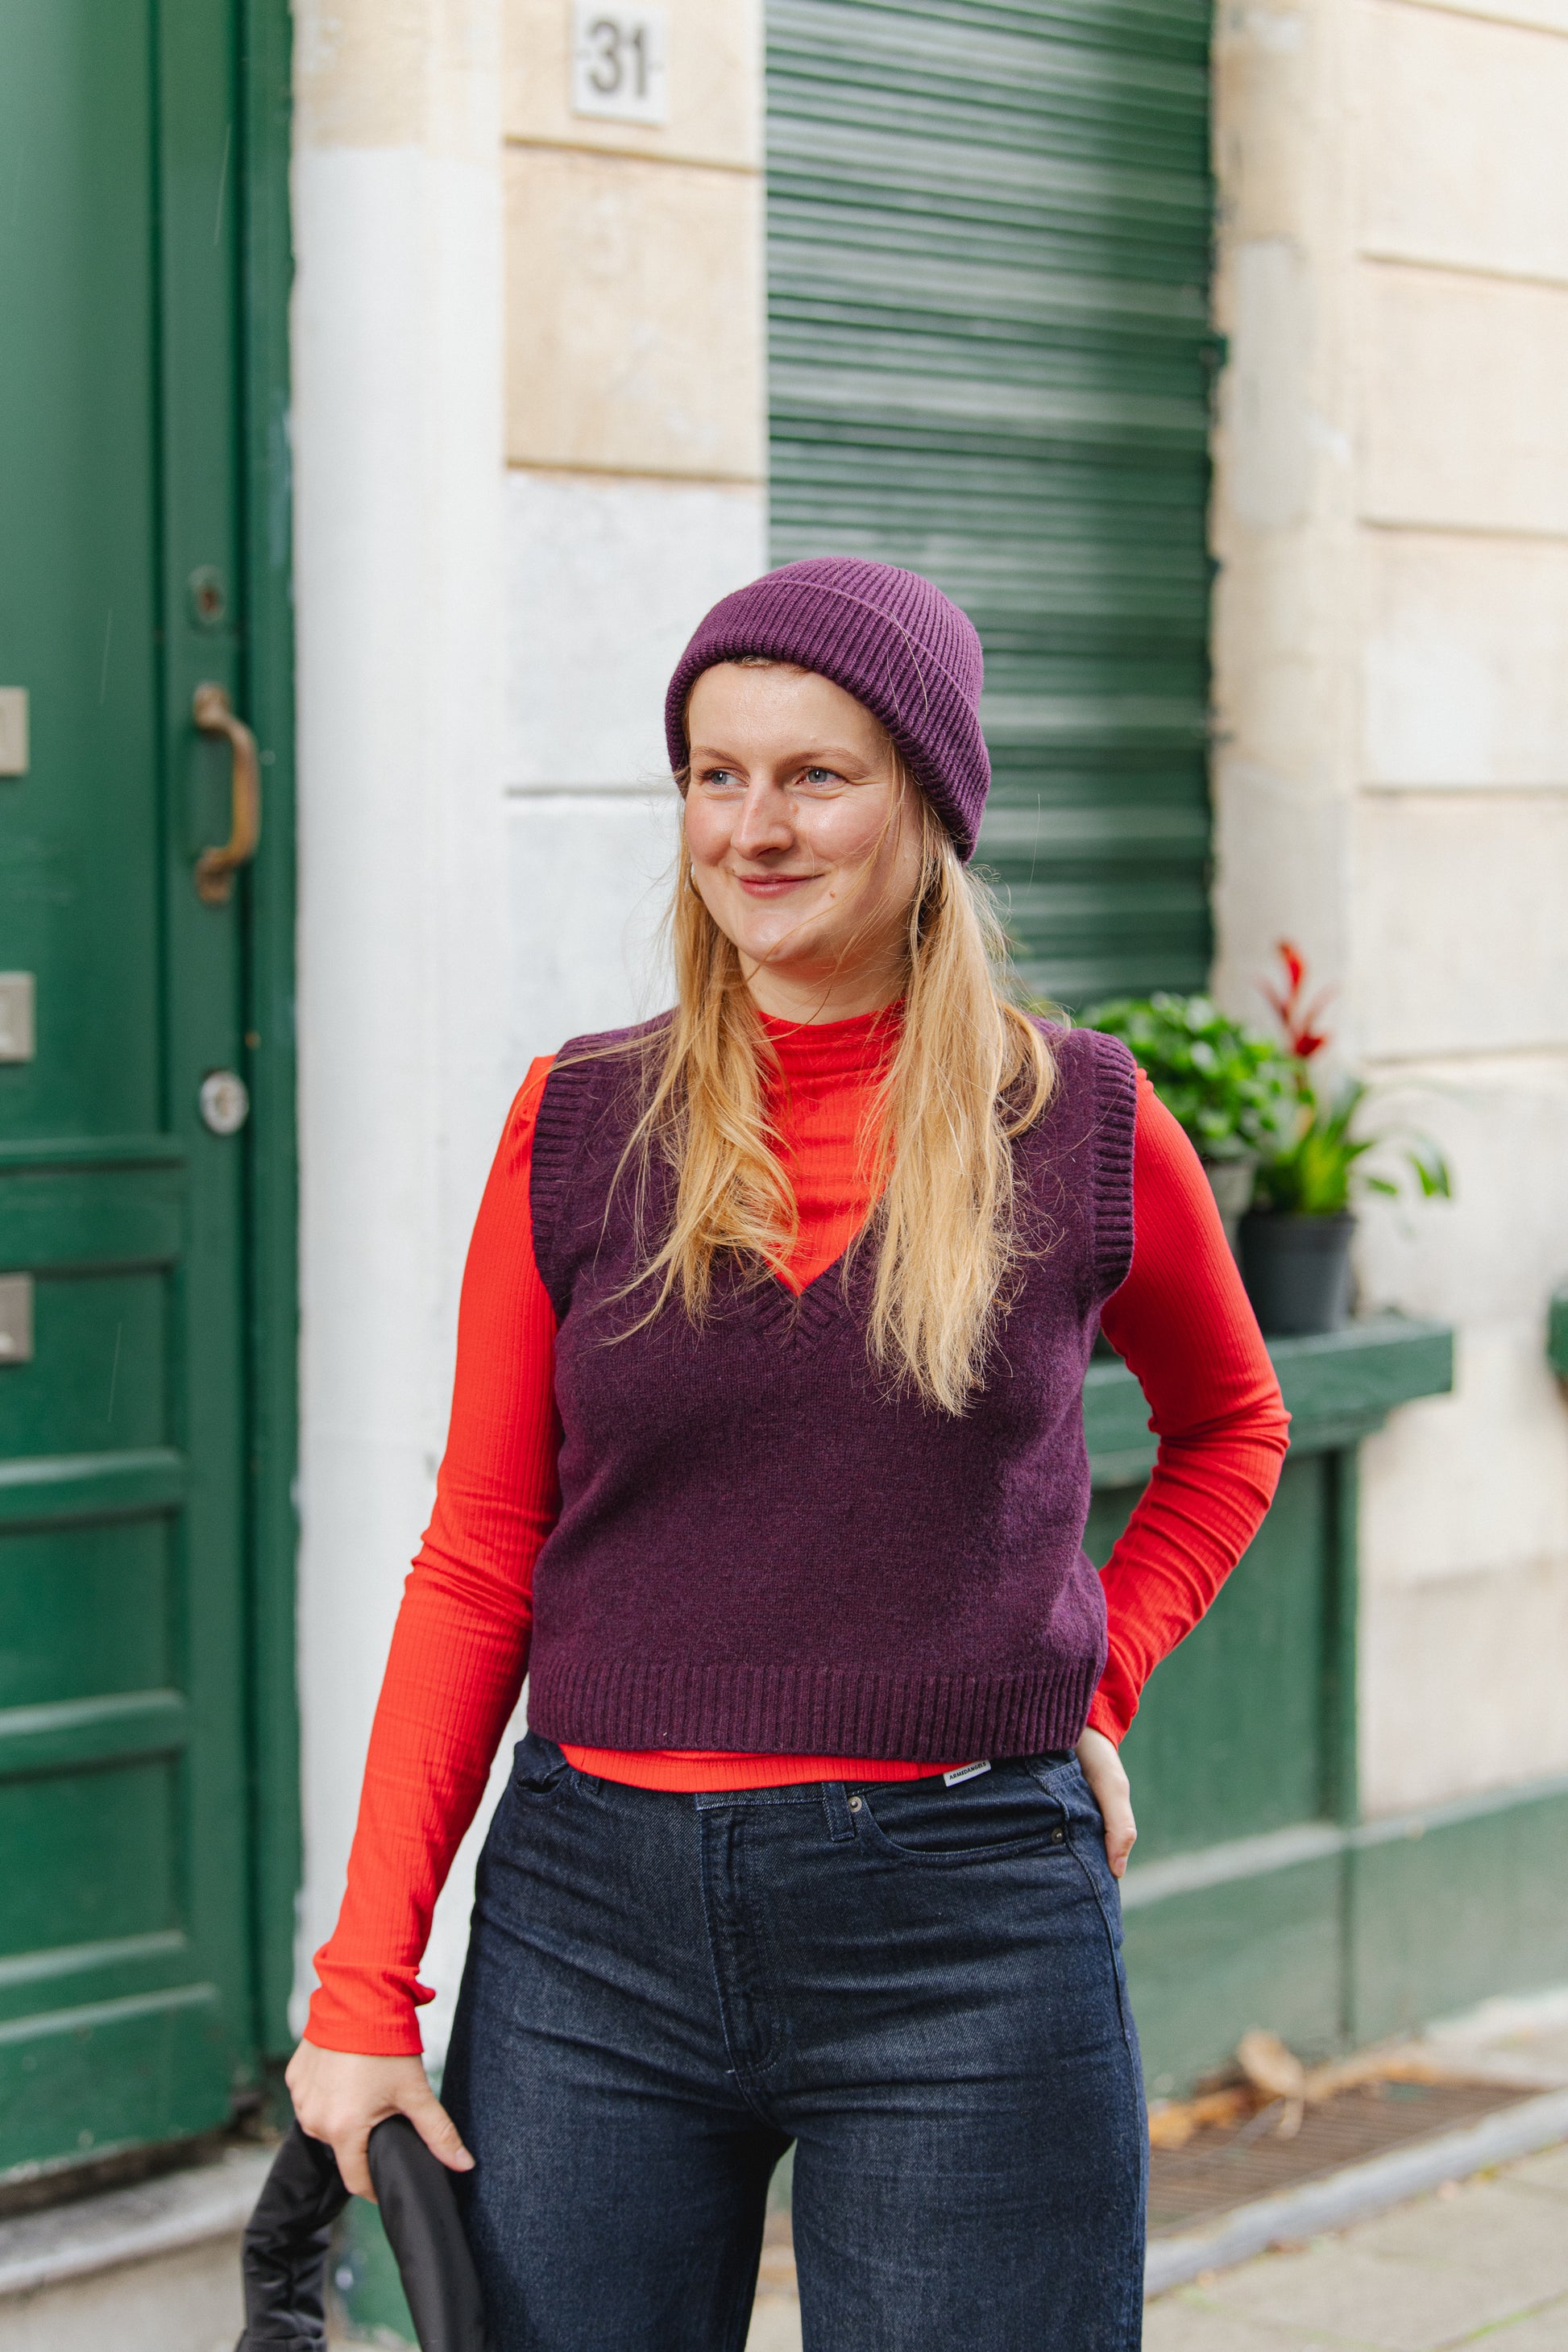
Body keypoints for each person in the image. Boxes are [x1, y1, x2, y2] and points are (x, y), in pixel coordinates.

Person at [288, 558, 1290, 2350]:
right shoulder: (578, 1122)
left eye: (815, 776)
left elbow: (1231, 1427)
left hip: (967, 1928)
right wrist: (365, 1985)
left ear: (930, 801)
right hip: (590, 1930)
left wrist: (1099, 1672)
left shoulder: (1079, 1122)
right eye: (714, 775)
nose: (752, 829)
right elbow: (480, 1548)